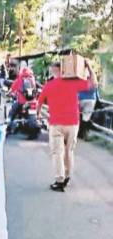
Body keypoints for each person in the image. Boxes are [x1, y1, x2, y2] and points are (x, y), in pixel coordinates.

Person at [36, 61, 96, 192]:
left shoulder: (49, 85)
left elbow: (39, 102)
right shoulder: (73, 83)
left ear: (53, 71)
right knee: (69, 151)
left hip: (56, 124)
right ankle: (68, 176)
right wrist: (89, 67)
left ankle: (59, 180)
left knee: (58, 152)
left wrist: (38, 114)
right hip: (73, 123)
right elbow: (93, 84)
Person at [7, 67, 37, 132]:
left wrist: (8, 94)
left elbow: (11, 90)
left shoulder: (18, 80)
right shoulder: (32, 79)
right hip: (32, 102)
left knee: (12, 110)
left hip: (21, 102)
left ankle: (8, 123)